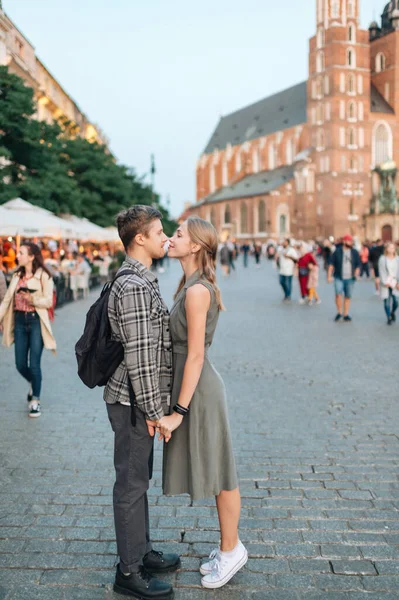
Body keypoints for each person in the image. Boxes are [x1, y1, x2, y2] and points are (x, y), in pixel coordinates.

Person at [160, 216, 247, 589]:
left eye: (178, 234)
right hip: (191, 385)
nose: (171, 238)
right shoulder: (189, 283)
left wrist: (178, 412)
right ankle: (228, 546)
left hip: (199, 389)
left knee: (221, 471)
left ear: (195, 245)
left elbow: (195, 356)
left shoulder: (197, 291)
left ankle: (232, 550)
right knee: (214, 468)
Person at [104, 205, 179, 600]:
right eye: (159, 232)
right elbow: (139, 356)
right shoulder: (132, 286)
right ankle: (128, 570)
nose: (165, 237)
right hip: (133, 401)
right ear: (139, 239)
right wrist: (155, 412)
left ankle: (142, 550)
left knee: (138, 478)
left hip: (137, 399)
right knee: (131, 483)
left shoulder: (140, 278)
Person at [0, 243, 56, 418]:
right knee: (20, 363)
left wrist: (31, 298)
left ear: (32, 256)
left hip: (35, 321)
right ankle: (34, 382)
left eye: (21, 253)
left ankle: (35, 400)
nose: (18, 256)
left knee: (34, 364)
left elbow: (48, 301)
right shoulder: (17, 275)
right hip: (19, 321)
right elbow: (7, 299)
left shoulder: (44, 276)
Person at [328, 234, 361, 322]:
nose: (351, 243)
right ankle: (339, 312)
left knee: (347, 296)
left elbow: (358, 264)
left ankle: (346, 314)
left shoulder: (354, 252)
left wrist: (357, 273)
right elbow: (331, 264)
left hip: (350, 277)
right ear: (344, 241)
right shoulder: (337, 252)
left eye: (351, 241)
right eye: (349, 241)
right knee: (338, 294)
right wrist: (329, 276)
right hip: (339, 276)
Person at [378, 243, 399, 325]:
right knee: (386, 301)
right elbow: (381, 271)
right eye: (390, 248)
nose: (391, 249)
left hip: (395, 282)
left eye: (393, 248)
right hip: (386, 282)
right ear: (386, 249)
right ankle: (388, 317)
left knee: (396, 301)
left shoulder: (397, 259)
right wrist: (384, 282)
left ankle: (393, 312)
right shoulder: (382, 259)